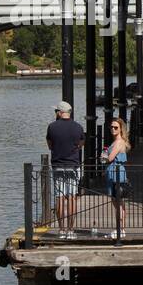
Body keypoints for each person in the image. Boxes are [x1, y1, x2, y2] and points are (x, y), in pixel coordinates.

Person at [46, 100, 85, 237]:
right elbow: (81, 144)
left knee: (60, 197)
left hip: (58, 166)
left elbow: (50, 145)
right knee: (72, 197)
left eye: (56, 111)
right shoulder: (78, 127)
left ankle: (61, 229)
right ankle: (71, 229)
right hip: (73, 166)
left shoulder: (51, 127)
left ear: (59, 113)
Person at [102, 117, 130, 237]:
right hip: (112, 171)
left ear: (121, 129)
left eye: (116, 127)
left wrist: (104, 156)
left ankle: (121, 229)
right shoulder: (115, 141)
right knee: (116, 201)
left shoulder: (119, 142)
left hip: (117, 173)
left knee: (118, 202)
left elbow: (110, 158)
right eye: (111, 127)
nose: (113, 129)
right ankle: (120, 228)